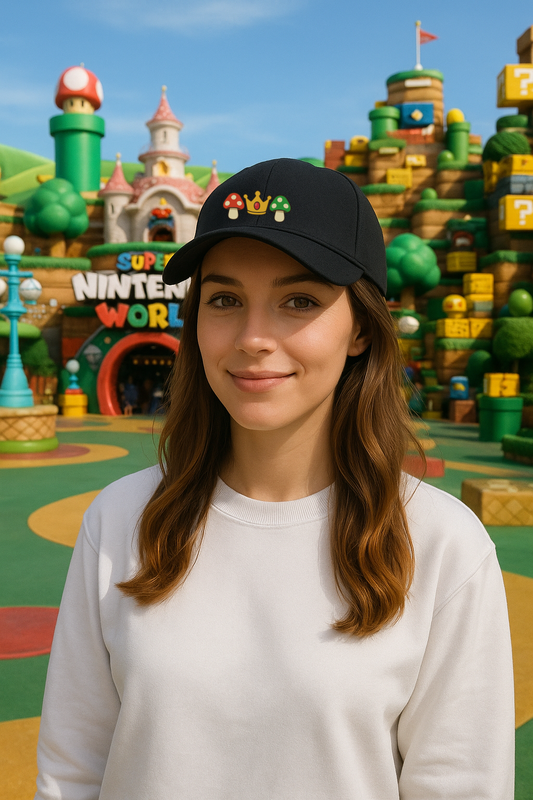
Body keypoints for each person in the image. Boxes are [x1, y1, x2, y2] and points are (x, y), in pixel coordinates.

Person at [35, 159, 514, 800]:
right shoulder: (120, 520)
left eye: (299, 301)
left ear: (362, 331)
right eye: (225, 300)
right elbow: (72, 775)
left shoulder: (442, 544)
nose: (254, 338)